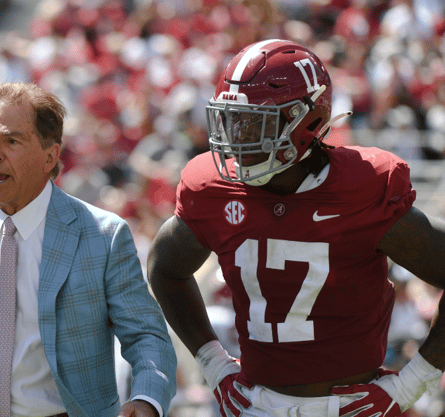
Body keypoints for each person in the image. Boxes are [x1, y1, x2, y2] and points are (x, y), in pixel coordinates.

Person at [147, 38, 445, 417]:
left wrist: (412, 381)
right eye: (232, 120)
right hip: (254, 406)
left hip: (353, 407)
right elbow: (165, 267)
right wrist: (212, 362)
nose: (235, 139)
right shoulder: (214, 190)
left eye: (254, 123)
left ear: (308, 122)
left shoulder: (364, 189)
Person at [0, 82, 177, 417]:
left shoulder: (102, 237)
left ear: (50, 156)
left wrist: (147, 399)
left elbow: (146, 336)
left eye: (11, 140)